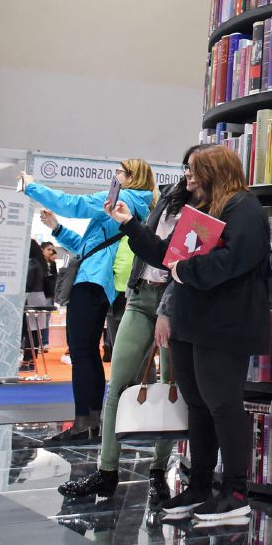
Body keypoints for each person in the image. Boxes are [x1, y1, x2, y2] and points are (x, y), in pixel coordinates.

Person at [106, 144, 270, 522]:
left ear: (216, 171)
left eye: (195, 170)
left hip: (225, 326)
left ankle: (235, 492)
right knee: (198, 404)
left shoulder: (244, 209)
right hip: (192, 322)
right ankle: (199, 487)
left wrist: (183, 271)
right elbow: (167, 253)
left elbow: (230, 262)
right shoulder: (203, 211)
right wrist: (129, 223)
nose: (188, 177)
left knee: (223, 405)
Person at [57, 148, 203, 502]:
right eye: (185, 166)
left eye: (196, 168)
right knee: (119, 382)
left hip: (177, 303)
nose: (188, 174)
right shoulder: (168, 196)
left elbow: (184, 259)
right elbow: (148, 245)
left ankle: (158, 470)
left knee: (170, 386)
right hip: (141, 297)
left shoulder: (209, 209)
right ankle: (106, 471)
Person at [21, 160, 156, 444]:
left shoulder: (123, 198)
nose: (114, 177)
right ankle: (90, 422)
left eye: (118, 173)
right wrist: (57, 229)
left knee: (83, 353)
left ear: (129, 177)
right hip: (98, 281)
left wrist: (32, 186)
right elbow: (89, 246)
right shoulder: (132, 203)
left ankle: (85, 423)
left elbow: (73, 204)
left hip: (93, 281)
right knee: (87, 353)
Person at [20, 240, 48, 372]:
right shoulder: (41, 262)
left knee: (28, 331)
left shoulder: (31, 263)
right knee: (36, 331)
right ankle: (31, 361)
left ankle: (26, 362)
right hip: (40, 296)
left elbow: (28, 284)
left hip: (30, 298)